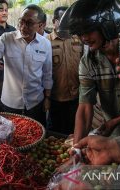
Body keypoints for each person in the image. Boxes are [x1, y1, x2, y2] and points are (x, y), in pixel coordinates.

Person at [59, 0, 120, 143]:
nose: (84, 38)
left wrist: (116, 121)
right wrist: (77, 147)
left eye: (88, 31)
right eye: (79, 33)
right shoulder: (88, 61)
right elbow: (85, 107)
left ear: (108, 26)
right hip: (112, 137)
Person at [47, 6, 82, 134]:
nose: (67, 22)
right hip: (56, 97)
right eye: (63, 19)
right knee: (55, 132)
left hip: (77, 95)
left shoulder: (78, 39)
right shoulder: (46, 42)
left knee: (74, 130)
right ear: (54, 21)